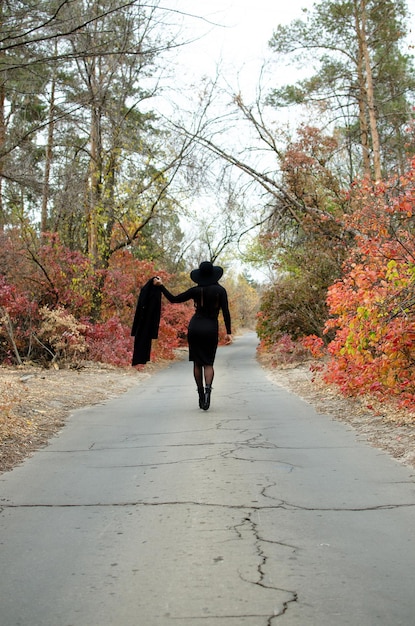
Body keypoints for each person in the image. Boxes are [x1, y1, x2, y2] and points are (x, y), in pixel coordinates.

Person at [153, 261, 232, 410]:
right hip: (211, 328)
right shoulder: (221, 291)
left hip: (195, 327)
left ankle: (200, 395)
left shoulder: (195, 291)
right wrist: (228, 332)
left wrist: (161, 285)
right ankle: (208, 394)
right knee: (208, 363)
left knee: (197, 363)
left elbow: (173, 299)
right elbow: (226, 312)